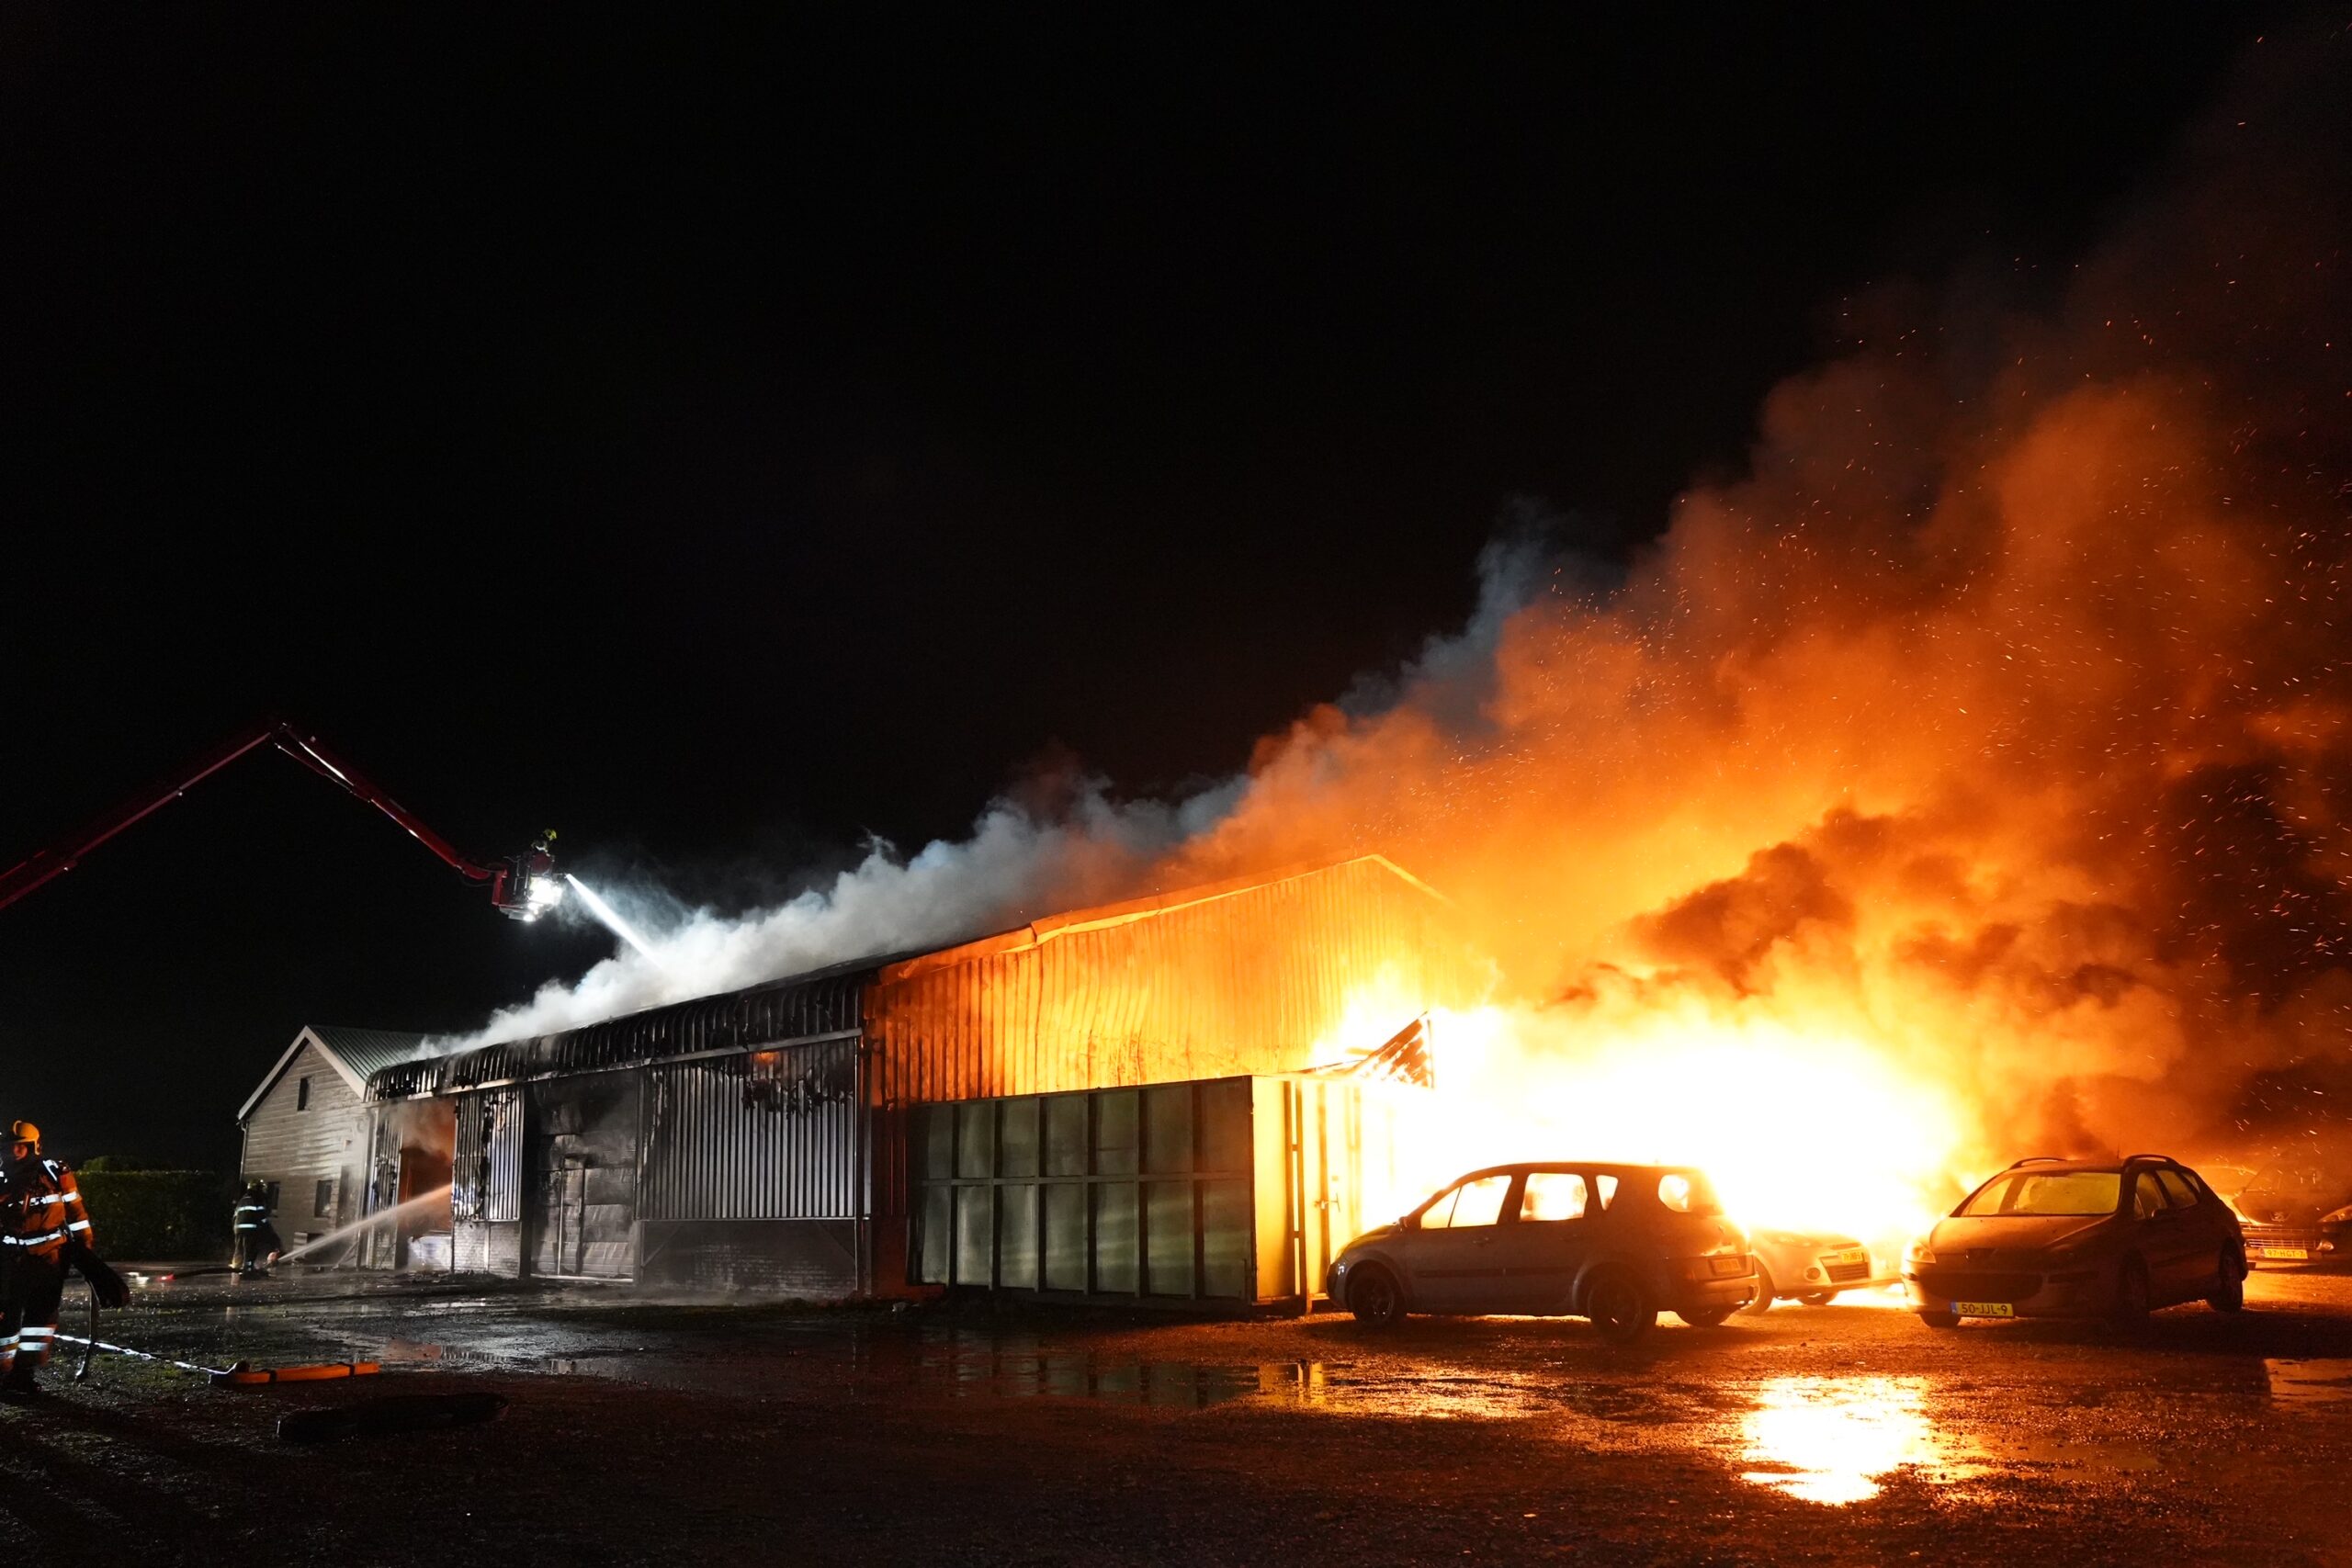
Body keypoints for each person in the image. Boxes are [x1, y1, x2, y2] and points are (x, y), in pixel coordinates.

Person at [0, 1121, 96, 1396]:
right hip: (9, 1261)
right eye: (10, 1146)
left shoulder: (55, 1172)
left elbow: (76, 1212)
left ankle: (23, 1375)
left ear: (34, 1146)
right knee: (5, 1319)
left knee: (39, 1320)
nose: (15, 1151)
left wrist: (85, 1248)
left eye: (21, 1145)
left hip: (49, 1260)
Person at [233, 1180, 280, 1273]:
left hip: (238, 1229)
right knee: (250, 1250)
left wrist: (236, 1229)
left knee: (239, 1249)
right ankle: (248, 1270)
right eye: (261, 1188)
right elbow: (262, 1218)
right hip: (251, 1229)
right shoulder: (257, 1200)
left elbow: (234, 1216)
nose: (262, 1190)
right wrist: (269, 1231)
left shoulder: (242, 1200)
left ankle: (236, 1267)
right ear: (256, 1188)